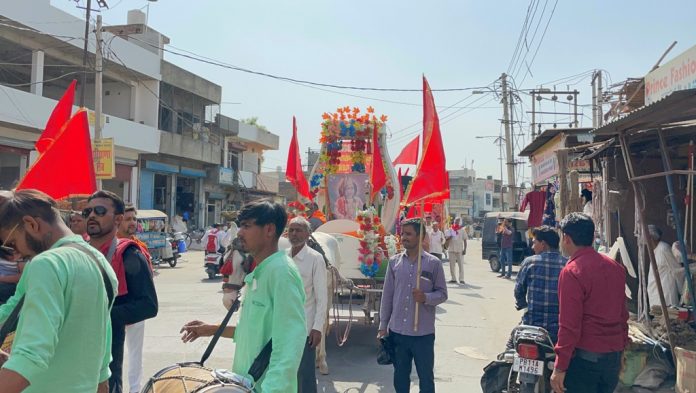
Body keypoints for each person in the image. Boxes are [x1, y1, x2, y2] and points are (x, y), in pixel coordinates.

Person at [180, 200, 306, 393]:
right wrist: (211, 329)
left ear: (269, 229)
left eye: (247, 226)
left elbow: (289, 343)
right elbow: (251, 332)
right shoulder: (260, 271)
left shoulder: (282, 273)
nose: (239, 232)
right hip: (244, 384)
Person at [0, 189, 116, 393]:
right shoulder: (101, 263)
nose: (16, 253)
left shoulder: (46, 264)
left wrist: (16, 366)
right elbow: (102, 361)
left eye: (12, 244)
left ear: (31, 224)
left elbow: (32, 356)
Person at [86, 190, 158, 393]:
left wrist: (103, 315)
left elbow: (148, 305)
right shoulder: (78, 250)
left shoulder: (130, 253)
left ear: (117, 219)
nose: (91, 215)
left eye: (99, 211)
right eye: (87, 211)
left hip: (106, 354)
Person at [550, 213, 628, 393]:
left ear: (566, 238)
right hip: (612, 359)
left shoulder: (572, 271)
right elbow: (622, 315)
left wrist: (560, 367)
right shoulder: (615, 267)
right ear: (592, 237)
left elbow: (569, 325)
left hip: (586, 360)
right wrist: (622, 351)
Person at [378, 218, 448, 393]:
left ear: (420, 236)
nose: (404, 237)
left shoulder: (433, 264)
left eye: (409, 234)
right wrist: (383, 326)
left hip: (422, 334)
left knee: (426, 379)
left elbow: (442, 294)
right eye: (403, 233)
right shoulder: (394, 263)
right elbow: (387, 296)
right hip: (398, 333)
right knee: (400, 377)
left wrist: (426, 297)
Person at [286, 217, 328, 393]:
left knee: (305, 374)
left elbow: (321, 297)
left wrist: (318, 327)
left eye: (299, 230)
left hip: (305, 327)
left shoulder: (315, 259)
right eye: (291, 230)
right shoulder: (283, 257)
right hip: (283, 326)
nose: (294, 234)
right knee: (286, 372)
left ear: (308, 233)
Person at [116, 205, 152, 393]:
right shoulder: (110, 247)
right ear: (118, 221)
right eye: (128, 219)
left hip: (137, 308)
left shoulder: (139, 247)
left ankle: (135, 390)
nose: (132, 223)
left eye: (134, 219)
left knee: (136, 354)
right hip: (117, 308)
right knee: (114, 355)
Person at [513, 226, 567, 345]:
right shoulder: (567, 264)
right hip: (559, 330)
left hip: (531, 326)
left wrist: (523, 305)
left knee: (510, 348)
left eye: (534, 243)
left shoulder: (529, 262)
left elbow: (518, 291)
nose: (532, 247)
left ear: (543, 244)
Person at [647, 225, 682, 307]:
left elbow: (677, 270)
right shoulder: (655, 250)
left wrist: (682, 292)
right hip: (655, 296)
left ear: (651, 238)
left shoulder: (663, 248)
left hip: (666, 297)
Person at [445, 218, 468, 284]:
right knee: (452, 265)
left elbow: (465, 240)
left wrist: (465, 249)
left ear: (460, 222)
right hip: (451, 249)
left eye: (458, 221)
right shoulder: (450, 229)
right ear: (454, 221)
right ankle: (453, 278)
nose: (457, 222)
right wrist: (451, 235)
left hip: (459, 249)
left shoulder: (462, 230)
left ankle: (461, 279)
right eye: (456, 221)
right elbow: (447, 239)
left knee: (460, 265)